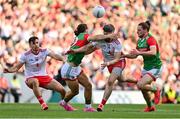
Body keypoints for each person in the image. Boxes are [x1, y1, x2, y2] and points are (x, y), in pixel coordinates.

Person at [66, 24, 137, 112]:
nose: (106, 34)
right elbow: (88, 47)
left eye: (108, 33)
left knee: (110, 81)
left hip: (118, 62)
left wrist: (108, 63)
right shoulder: (101, 40)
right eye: (105, 32)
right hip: (108, 64)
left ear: (112, 33)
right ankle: (137, 81)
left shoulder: (117, 43)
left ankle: (101, 105)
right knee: (123, 79)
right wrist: (76, 51)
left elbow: (117, 58)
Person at [60, 23, 119, 112]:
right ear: (86, 30)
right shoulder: (84, 35)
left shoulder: (79, 37)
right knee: (75, 92)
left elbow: (86, 51)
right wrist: (109, 35)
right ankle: (64, 102)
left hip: (75, 67)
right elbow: (95, 38)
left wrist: (95, 48)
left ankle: (88, 107)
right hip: (69, 69)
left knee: (88, 85)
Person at [3, 36, 67, 110]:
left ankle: (64, 104)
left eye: (37, 42)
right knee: (35, 81)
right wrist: (9, 70)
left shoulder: (44, 51)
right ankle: (43, 103)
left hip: (43, 77)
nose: (36, 45)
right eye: (33, 43)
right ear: (30, 45)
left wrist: (63, 58)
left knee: (62, 90)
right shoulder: (25, 55)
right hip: (30, 78)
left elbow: (54, 55)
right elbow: (17, 67)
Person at [122, 21, 162, 112]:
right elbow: (135, 55)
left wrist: (139, 52)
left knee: (140, 84)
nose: (137, 32)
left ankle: (156, 89)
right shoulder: (140, 40)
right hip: (146, 67)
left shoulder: (151, 39)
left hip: (155, 67)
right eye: (137, 30)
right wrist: (124, 55)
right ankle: (150, 106)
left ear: (145, 30)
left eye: (139, 30)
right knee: (142, 88)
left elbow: (153, 52)